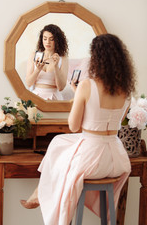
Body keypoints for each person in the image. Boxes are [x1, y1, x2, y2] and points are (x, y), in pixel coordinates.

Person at [20, 34, 136, 225]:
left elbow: (74, 127)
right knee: (60, 144)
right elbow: (114, 121)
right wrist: (79, 95)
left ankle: (40, 193)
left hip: (92, 160)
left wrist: (80, 95)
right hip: (116, 159)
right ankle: (38, 192)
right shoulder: (126, 91)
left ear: (96, 58)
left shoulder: (87, 85)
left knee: (58, 144)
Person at [26, 24, 69, 100]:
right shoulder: (34, 55)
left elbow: (61, 87)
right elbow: (29, 83)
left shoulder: (63, 59)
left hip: (54, 97)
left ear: (57, 40)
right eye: (45, 39)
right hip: (36, 96)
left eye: (51, 39)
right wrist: (38, 69)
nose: (47, 42)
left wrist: (56, 67)